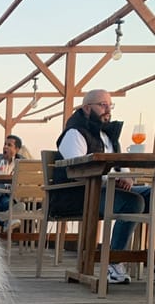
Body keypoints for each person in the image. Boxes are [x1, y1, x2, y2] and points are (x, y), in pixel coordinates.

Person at [52, 89, 150, 284]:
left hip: (107, 190)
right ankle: (114, 262)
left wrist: (127, 178)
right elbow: (79, 169)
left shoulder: (109, 136)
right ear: (87, 108)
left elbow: (122, 168)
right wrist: (114, 178)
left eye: (109, 105)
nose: (108, 110)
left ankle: (148, 258)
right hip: (79, 195)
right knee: (132, 203)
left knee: (150, 194)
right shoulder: (74, 133)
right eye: (103, 105)